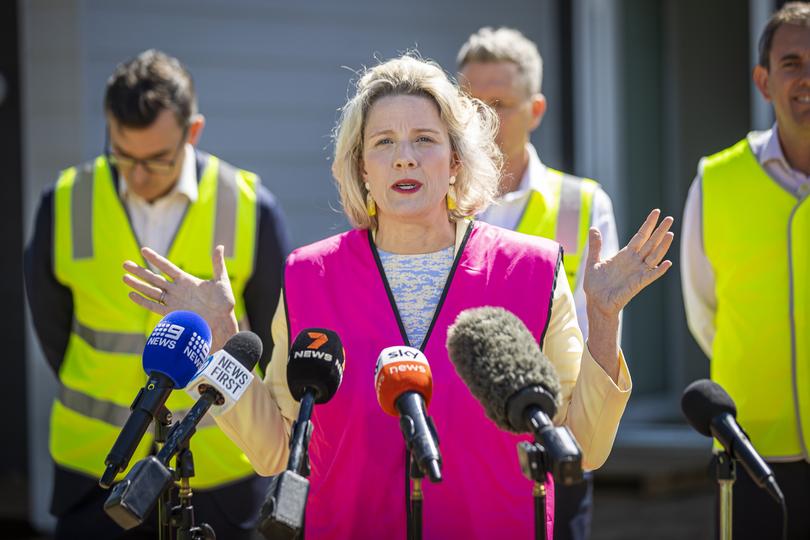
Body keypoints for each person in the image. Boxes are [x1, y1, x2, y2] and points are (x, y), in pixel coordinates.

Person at [123, 54, 673, 539]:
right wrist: (222, 333)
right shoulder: (309, 276)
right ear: (362, 168)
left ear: (456, 161)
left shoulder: (532, 271)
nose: (404, 158)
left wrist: (603, 317)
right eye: (383, 143)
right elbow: (274, 451)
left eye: (425, 140)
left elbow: (584, 445)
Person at [24, 49, 290, 539]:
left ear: (193, 132)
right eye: (123, 155)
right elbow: (51, 322)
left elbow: (274, 346)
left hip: (216, 477)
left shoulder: (252, 206)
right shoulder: (63, 201)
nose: (138, 173)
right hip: (96, 472)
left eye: (156, 158)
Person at [457, 27, 620, 540]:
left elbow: (605, 333)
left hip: (556, 444)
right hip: (460, 448)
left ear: (537, 109)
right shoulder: (439, 203)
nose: (483, 119)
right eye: (470, 104)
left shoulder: (584, 206)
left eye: (500, 103)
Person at [681, 3, 810, 538]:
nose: (806, 78)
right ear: (763, 80)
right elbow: (702, 311)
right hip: (750, 452)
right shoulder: (716, 180)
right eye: (791, 62)